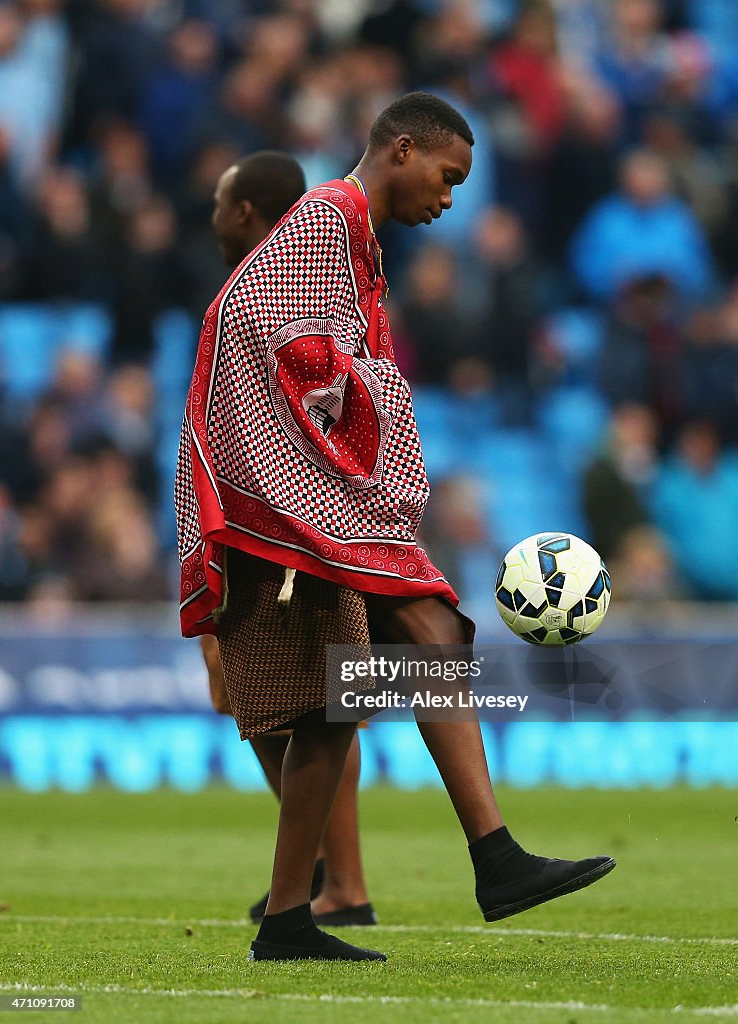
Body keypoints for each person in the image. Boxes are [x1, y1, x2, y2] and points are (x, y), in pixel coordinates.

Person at [176, 93, 616, 964]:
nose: (449, 199)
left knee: (338, 704)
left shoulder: (353, 239)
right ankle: (494, 858)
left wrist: (356, 388)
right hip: (296, 492)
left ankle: (293, 920)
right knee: (427, 623)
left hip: (303, 489)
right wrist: (347, 414)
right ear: (402, 150)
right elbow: (252, 323)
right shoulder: (325, 216)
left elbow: (297, 337)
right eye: (447, 177)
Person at [202, 150, 376, 927]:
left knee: (310, 700)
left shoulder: (273, 293)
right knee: (286, 699)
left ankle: (340, 881)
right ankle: (321, 870)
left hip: (282, 530)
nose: (210, 215)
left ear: (246, 213)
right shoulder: (294, 284)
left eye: (218, 202)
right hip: (283, 526)